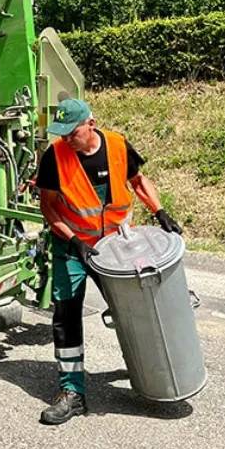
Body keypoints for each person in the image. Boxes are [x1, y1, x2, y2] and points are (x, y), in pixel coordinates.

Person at [36, 98, 182, 425]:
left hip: (116, 247)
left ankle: (154, 375)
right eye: (62, 134)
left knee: (134, 309)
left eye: (72, 133)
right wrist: (74, 242)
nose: (67, 140)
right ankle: (71, 392)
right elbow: (49, 207)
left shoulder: (117, 145)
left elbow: (138, 182)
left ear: (91, 123)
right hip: (71, 246)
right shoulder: (54, 157)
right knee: (66, 315)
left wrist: (160, 212)